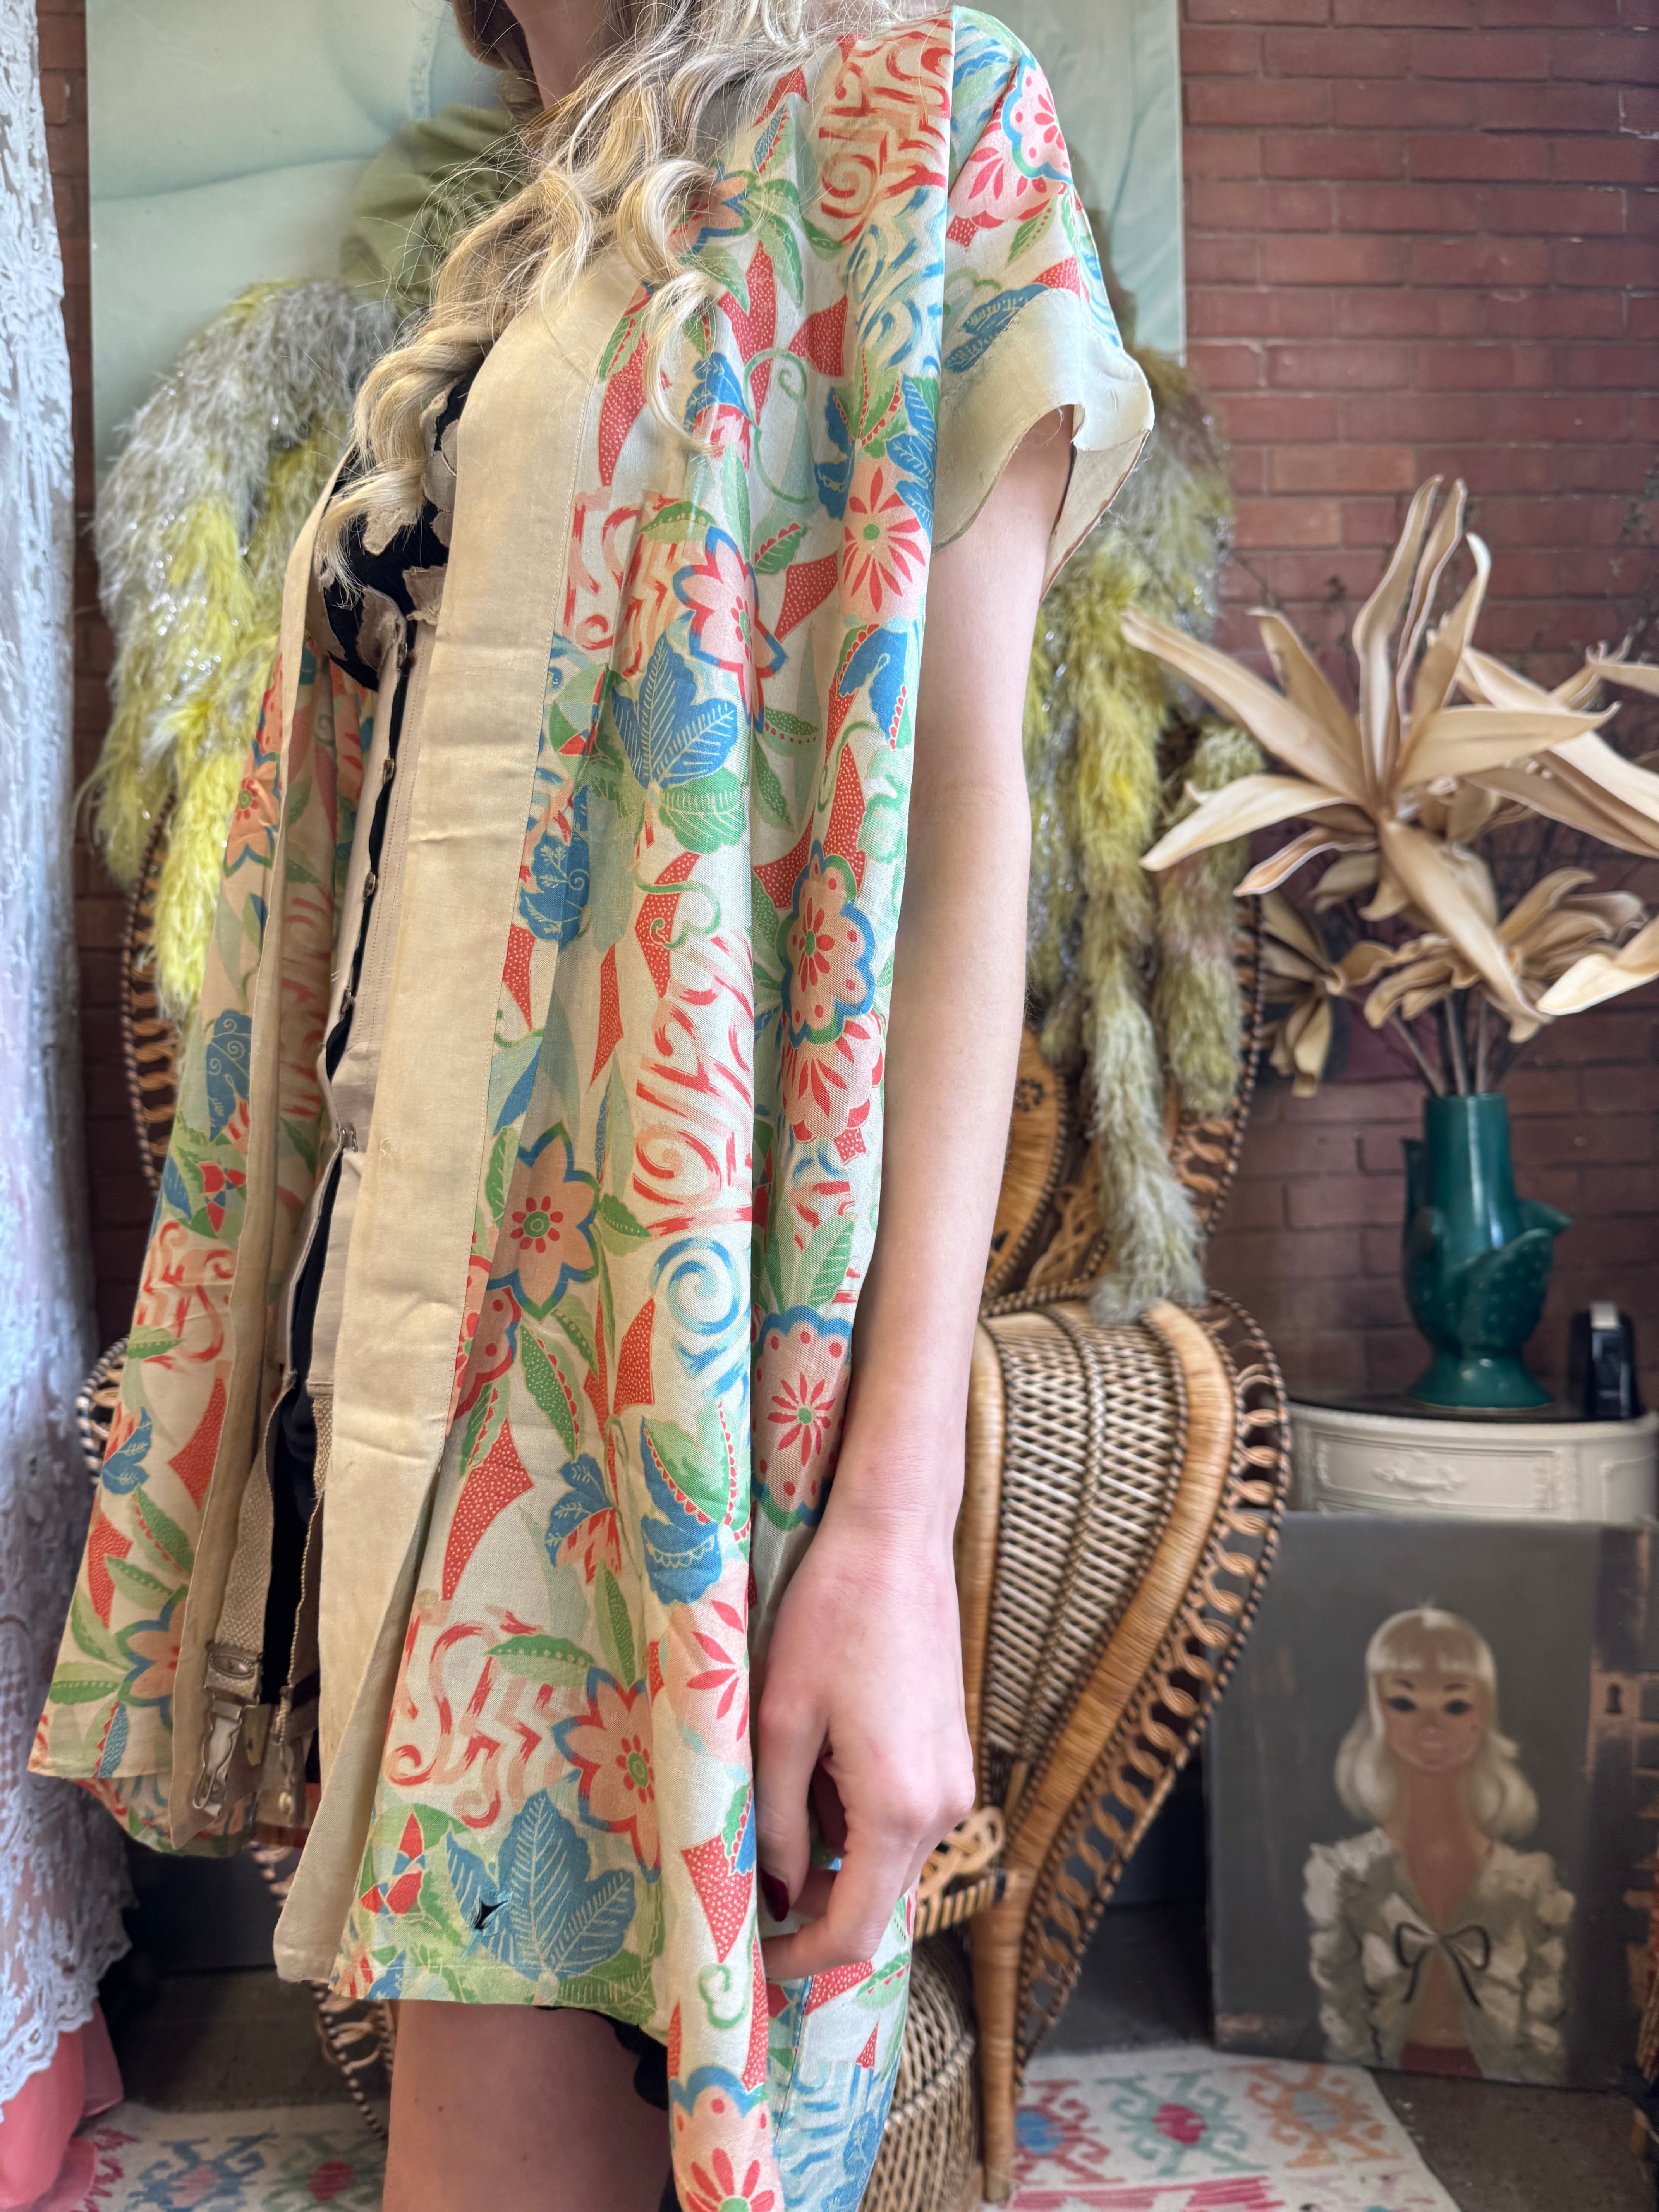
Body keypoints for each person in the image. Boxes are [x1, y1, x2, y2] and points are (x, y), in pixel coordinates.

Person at [35, 1, 1151, 2203]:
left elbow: (956, 838)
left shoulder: (916, 107)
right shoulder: (541, 230)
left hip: (674, 1394)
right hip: (431, 1376)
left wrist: (889, 1537)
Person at [1305, 1605, 1573, 2087]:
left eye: (1455, 1706)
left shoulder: (1530, 1881)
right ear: (1377, 1713)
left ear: (1483, 1714)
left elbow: (1543, 2026)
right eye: (1404, 1703)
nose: (1430, 1726)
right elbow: (1341, 2017)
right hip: (1384, 2088)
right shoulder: (1345, 1874)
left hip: (1503, 2092)